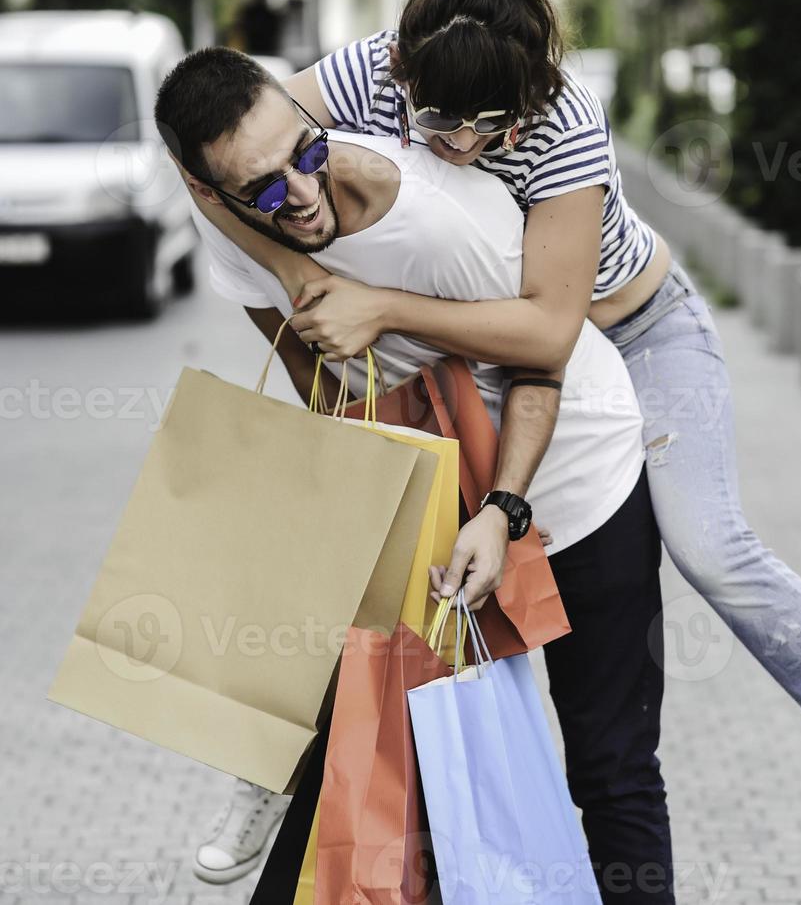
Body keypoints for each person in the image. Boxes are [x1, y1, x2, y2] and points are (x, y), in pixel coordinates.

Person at [188, 0, 801, 904]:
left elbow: (549, 325)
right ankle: (269, 763)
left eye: (490, 125)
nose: (462, 145)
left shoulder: (565, 115)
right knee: (344, 536)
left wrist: (380, 308)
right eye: (437, 121)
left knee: (713, 545)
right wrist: (301, 274)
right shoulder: (363, 75)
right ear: (397, 72)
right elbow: (206, 160)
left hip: (636, 333)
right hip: (502, 365)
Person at [156, 46, 678, 902]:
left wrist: (504, 511)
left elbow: (541, 364)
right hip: (441, 491)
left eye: (309, 151)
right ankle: (278, 752)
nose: (303, 191)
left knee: (608, 763)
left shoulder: (438, 217)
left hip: (574, 482)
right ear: (213, 196)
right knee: (400, 744)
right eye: (264, 187)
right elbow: (328, 400)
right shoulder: (244, 239)